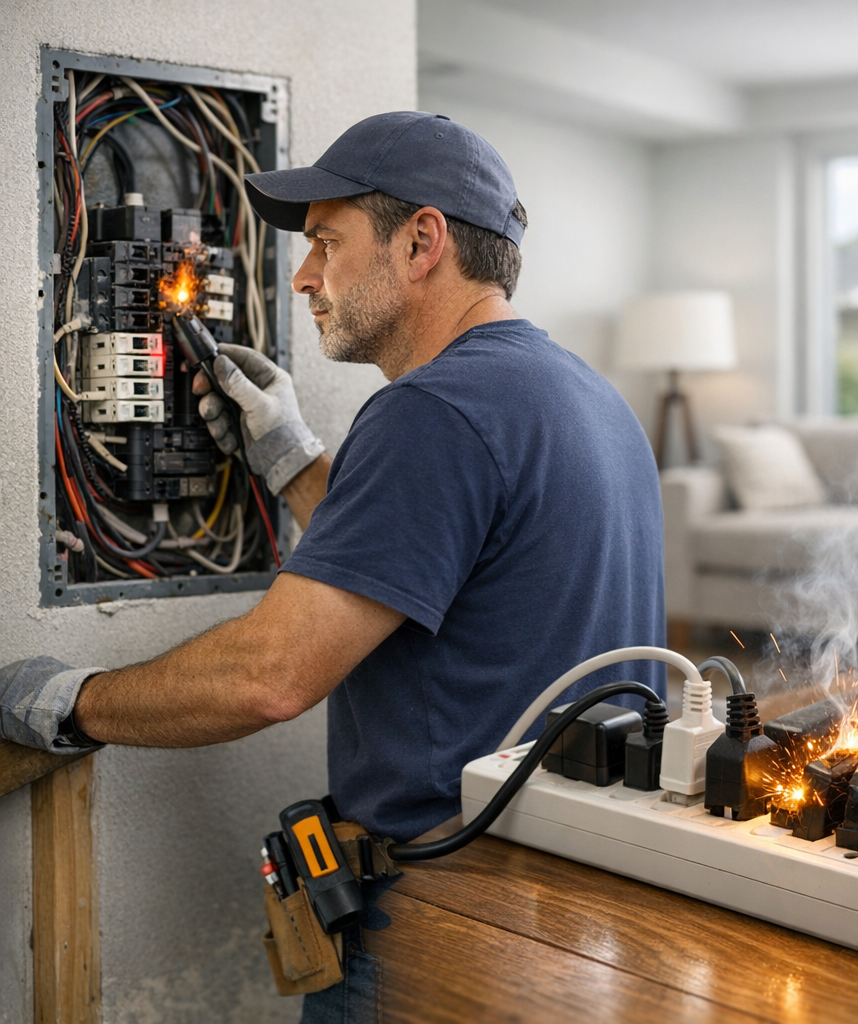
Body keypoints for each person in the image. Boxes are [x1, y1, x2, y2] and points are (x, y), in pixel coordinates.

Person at [1, 110, 665, 1016]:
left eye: (326, 242)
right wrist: (291, 457)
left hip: (445, 934)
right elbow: (430, 575)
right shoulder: (585, 398)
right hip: (571, 912)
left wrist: (67, 702)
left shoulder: (434, 412)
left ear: (422, 241)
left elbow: (269, 677)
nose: (306, 277)